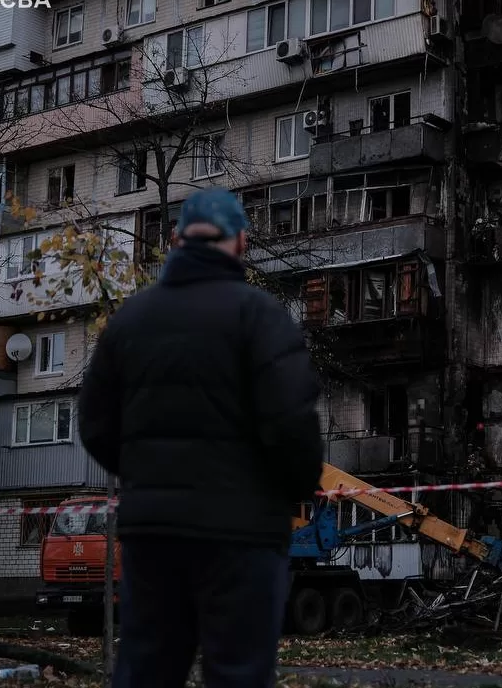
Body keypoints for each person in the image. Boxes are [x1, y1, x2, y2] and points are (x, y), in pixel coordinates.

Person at [77, 187, 325, 688]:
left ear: (174, 241)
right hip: (244, 534)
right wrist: (290, 490)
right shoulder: (262, 317)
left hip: (154, 535)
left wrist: (150, 477)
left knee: (147, 670)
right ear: (242, 243)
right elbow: (292, 425)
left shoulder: (130, 322)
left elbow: (95, 426)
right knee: (238, 673)